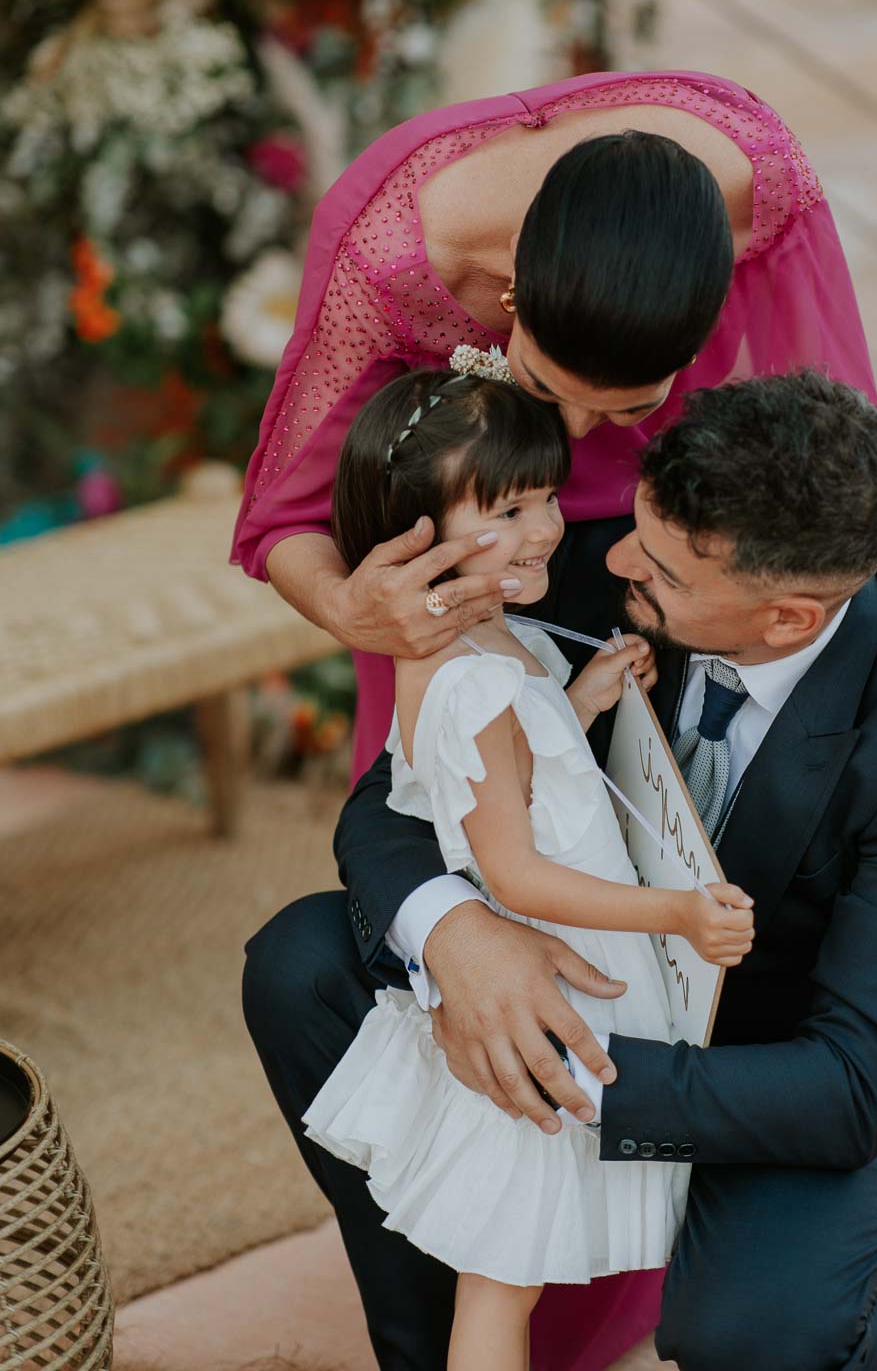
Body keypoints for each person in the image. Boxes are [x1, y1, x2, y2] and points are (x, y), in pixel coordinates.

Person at [243, 371, 877, 1371]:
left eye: (657, 569)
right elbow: (395, 795)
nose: (609, 560)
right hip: (600, 957)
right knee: (304, 962)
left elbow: (856, 1080)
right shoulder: (616, 551)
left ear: (786, 616)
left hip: (797, 1053)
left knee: (760, 1329)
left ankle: (850, 1311)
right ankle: (430, 1347)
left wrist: (577, 1074)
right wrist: (460, 935)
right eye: (629, 531)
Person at [231, 70, 877, 790]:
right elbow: (289, 519)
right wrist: (352, 612)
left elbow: (831, 467)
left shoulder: (760, 190)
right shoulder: (385, 257)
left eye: (628, 408)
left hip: (671, 556)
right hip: (474, 572)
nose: (577, 432)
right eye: (542, 388)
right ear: (513, 296)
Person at [300, 359, 755, 1371]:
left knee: (509, 1277)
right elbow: (513, 874)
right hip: (552, 987)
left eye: (546, 495)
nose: (544, 527)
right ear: (412, 533)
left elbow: (524, 775)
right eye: (504, 509)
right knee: (500, 1291)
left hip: (568, 972)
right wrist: (675, 911)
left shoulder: (488, 640)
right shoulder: (472, 680)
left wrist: (584, 696)